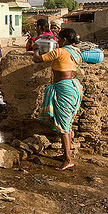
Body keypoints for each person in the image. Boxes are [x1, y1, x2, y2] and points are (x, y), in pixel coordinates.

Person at [32, 28, 83, 171]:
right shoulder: (76, 51)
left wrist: (36, 49)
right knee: (67, 123)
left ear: (64, 40)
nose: (58, 41)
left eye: (59, 39)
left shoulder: (60, 52)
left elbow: (37, 59)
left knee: (64, 125)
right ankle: (65, 154)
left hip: (64, 88)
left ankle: (68, 159)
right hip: (74, 86)